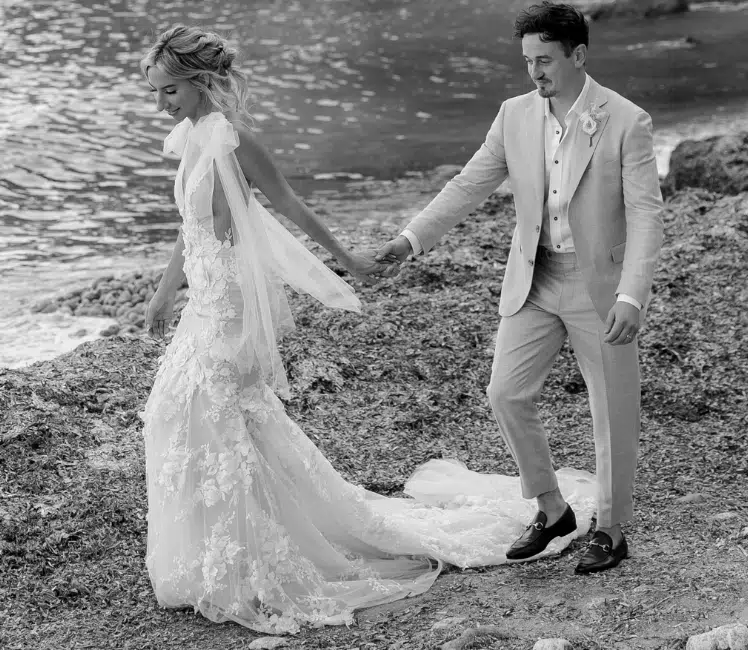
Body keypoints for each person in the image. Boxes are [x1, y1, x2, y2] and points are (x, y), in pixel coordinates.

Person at [137, 24, 600, 635]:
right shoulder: (192, 137)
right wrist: (164, 292)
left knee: (208, 415)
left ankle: (246, 561)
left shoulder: (235, 141)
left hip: (230, 307)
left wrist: (348, 260)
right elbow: (191, 227)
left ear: (200, 84)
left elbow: (289, 205)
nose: (160, 104)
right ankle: (216, 556)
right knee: (180, 416)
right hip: (203, 301)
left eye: (169, 91)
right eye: (155, 92)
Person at [375, 1, 665, 575]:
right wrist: (410, 240)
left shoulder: (627, 121)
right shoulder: (513, 115)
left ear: (578, 55)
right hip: (534, 278)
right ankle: (553, 509)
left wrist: (632, 296)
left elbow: (647, 216)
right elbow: (468, 185)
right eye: (528, 60)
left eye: (545, 60)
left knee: (612, 409)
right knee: (505, 393)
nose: (535, 72)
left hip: (600, 287)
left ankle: (611, 529)